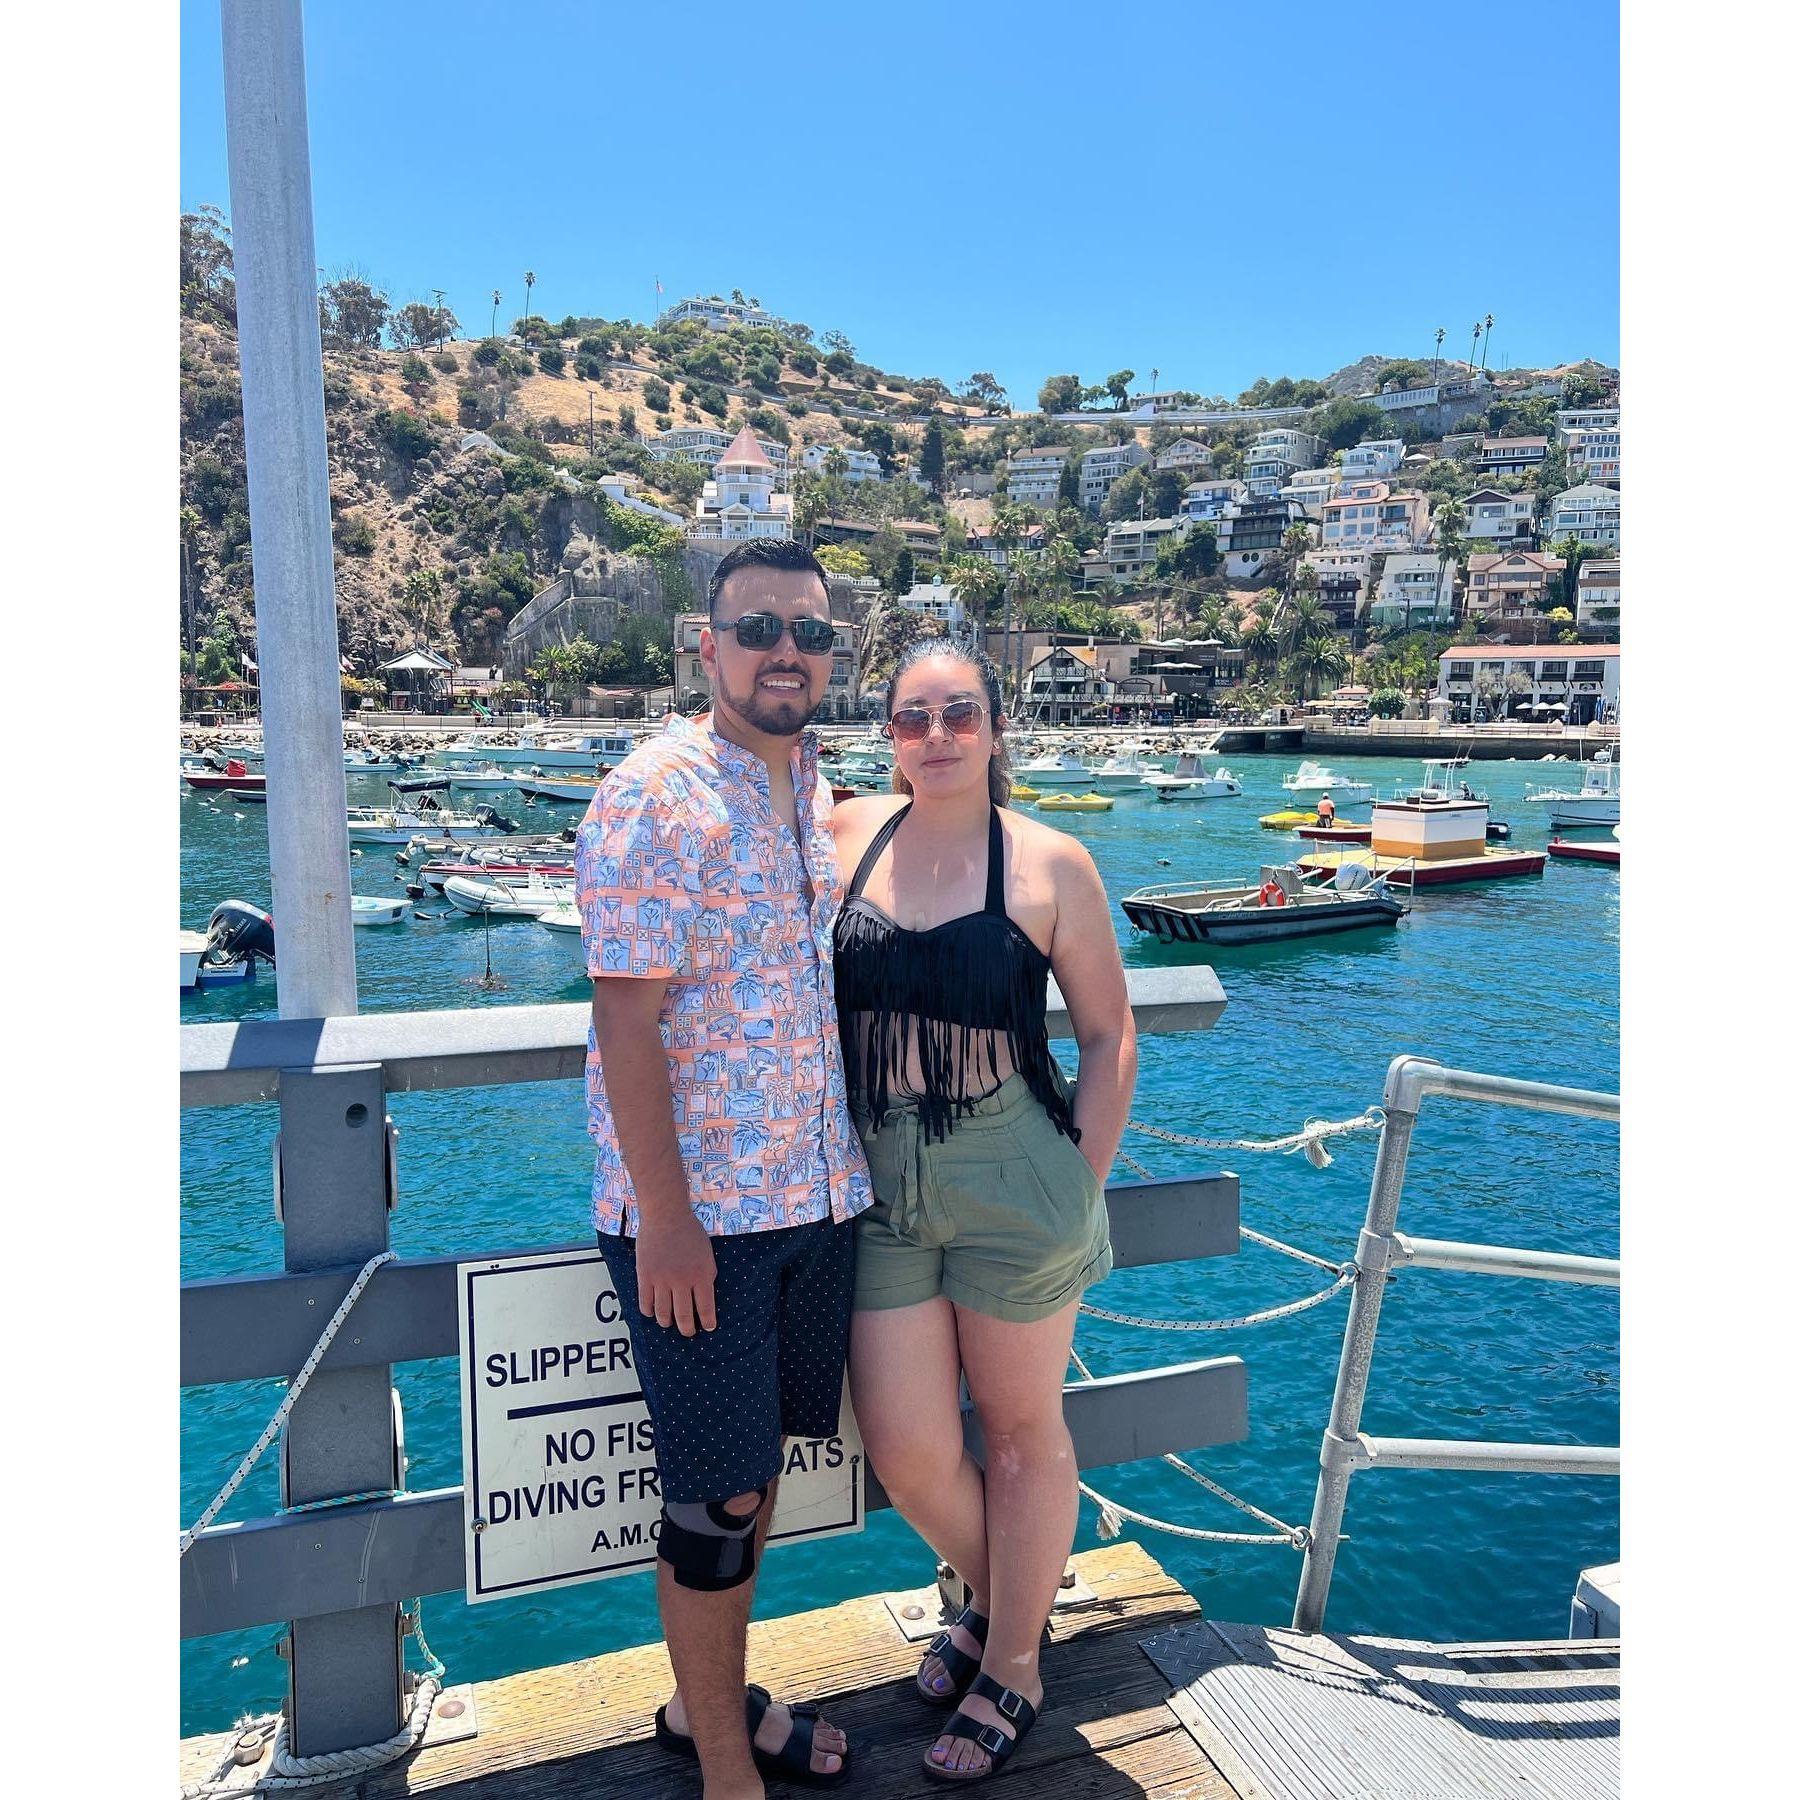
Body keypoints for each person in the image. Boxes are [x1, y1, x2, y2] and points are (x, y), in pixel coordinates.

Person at [575, 538, 869, 1797]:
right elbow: (623, 1020)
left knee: (755, 1479)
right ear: (709, 648)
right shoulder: (656, 793)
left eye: (809, 632)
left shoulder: (813, 787)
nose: (785, 652)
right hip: (704, 1218)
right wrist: (667, 1221)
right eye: (758, 630)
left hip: (818, 1195)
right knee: (717, 1505)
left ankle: (713, 1705)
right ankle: (722, 1766)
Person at [830, 642, 1138, 1785]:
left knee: (1018, 1429)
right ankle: (1011, 1601)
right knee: (908, 1451)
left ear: (997, 728)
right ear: (890, 737)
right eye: (914, 718)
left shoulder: (1052, 862)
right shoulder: (845, 835)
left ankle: (1010, 1658)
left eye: (961, 713)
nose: (939, 736)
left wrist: (1076, 1181)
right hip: (878, 1180)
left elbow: (1108, 1035)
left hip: (1016, 1172)